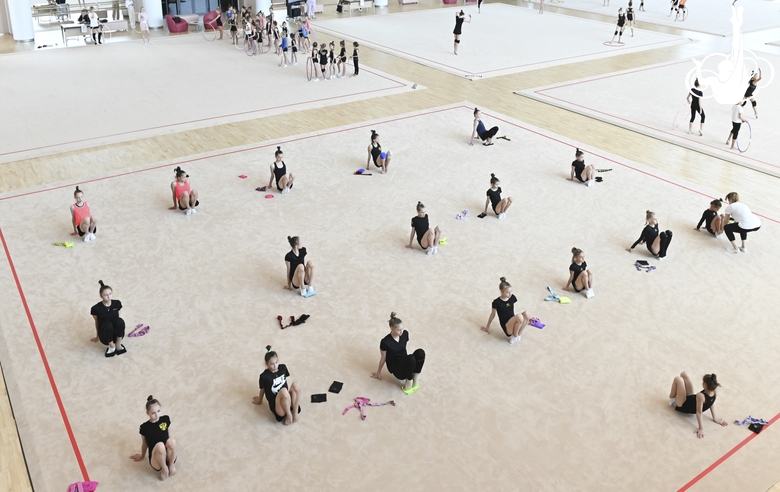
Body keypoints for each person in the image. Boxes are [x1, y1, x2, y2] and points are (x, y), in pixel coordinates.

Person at [371, 312, 425, 394]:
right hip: (397, 369)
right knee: (411, 358)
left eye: (402, 328)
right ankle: (408, 381)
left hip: (406, 362)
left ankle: (415, 379)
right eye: (399, 330)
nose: (401, 331)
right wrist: (378, 372)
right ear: (392, 329)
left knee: (420, 352)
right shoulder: (385, 342)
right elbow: (383, 358)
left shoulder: (405, 334)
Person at [130, 396, 179, 480]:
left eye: (158, 411)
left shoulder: (165, 419)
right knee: (160, 446)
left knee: (172, 441)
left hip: (168, 455)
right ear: (147, 413)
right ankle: (164, 469)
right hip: (156, 459)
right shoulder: (144, 427)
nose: (157, 415)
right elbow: (144, 444)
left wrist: (172, 444)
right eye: (153, 413)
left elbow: (168, 435)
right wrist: (142, 455)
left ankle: (171, 465)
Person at [253, 346, 302, 425]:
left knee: (296, 385)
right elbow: (262, 389)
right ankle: (289, 417)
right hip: (277, 405)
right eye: (272, 364)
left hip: (287, 399)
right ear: (267, 364)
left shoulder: (283, 368)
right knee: (283, 391)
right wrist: (259, 400)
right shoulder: (264, 376)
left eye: (277, 362)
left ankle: (295, 411)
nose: (275, 366)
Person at [668, 372, 727, 439]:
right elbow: (711, 402)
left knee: (678, 379)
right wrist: (715, 418)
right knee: (685, 374)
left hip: (685, 406)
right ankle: (679, 394)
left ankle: (672, 400)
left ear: (704, 385)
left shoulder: (700, 395)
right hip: (692, 400)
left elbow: (699, 413)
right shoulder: (714, 391)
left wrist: (701, 428)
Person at [481, 277, 530, 344]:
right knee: (519, 316)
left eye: (511, 292)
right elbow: (492, 314)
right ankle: (515, 336)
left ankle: (518, 335)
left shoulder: (512, 297)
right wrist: (487, 327)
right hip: (507, 326)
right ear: (501, 291)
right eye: (507, 292)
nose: (510, 294)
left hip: (514, 323)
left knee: (527, 313)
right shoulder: (496, 302)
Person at [90, 280, 126, 357]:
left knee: (120, 321)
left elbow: (118, 318)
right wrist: (97, 336)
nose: (109, 296)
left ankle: (118, 344)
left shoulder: (117, 303)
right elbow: (97, 322)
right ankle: (112, 346)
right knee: (108, 325)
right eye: (106, 295)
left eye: (110, 294)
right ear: (101, 296)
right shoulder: (96, 308)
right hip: (105, 334)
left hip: (116, 333)